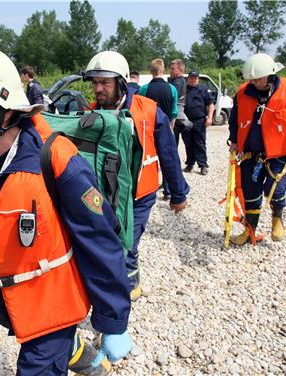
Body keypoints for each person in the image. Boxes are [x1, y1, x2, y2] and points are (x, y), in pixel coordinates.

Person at [0, 46, 133, 376]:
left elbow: (101, 241)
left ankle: (68, 346)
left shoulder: (56, 160)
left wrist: (114, 321)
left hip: (54, 301)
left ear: (3, 110)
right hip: (14, 293)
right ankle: (75, 353)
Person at [84, 51, 189, 301]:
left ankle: (129, 287)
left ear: (120, 82)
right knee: (106, 243)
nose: (98, 89)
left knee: (126, 244)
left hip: (139, 194)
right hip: (104, 194)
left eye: (104, 83)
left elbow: (169, 155)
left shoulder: (149, 111)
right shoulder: (88, 114)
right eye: (95, 83)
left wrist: (178, 193)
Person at [229, 53, 286, 245]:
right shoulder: (243, 92)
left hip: (279, 155)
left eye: (258, 79)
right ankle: (249, 231)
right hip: (250, 154)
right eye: (252, 79)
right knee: (250, 194)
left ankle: (277, 218)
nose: (255, 82)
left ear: (270, 75)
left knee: (274, 189)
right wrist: (234, 140)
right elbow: (234, 119)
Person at [138, 58, 179, 201]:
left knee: (148, 160)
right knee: (167, 159)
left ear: (151, 71)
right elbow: (174, 111)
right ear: (162, 70)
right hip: (166, 127)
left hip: (148, 131)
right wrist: (170, 128)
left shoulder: (144, 89)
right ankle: (168, 191)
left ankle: (148, 188)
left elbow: (139, 111)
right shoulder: (172, 88)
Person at [183, 70, 214, 175]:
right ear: (188, 78)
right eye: (191, 77)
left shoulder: (203, 89)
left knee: (200, 143)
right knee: (188, 143)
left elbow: (210, 104)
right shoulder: (184, 89)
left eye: (195, 78)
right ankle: (190, 164)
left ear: (198, 79)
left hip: (199, 120)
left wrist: (209, 118)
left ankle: (203, 165)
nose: (193, 79)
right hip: (186, 120)